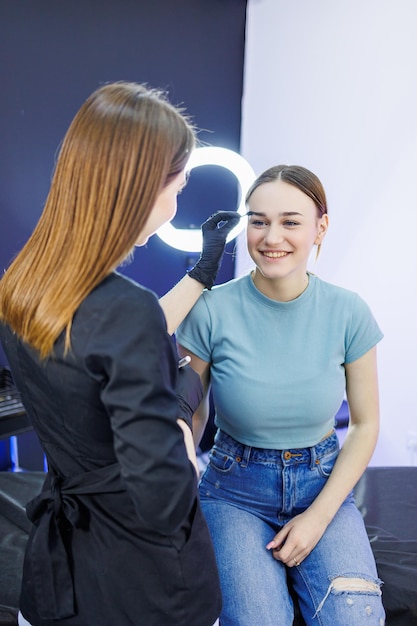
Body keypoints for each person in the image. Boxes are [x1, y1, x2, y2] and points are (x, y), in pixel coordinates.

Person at [0, 81, 239, 626]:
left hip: (61, 574)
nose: (178, 201)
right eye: (178, 187)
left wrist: (202, 271)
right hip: (142, 588)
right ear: (142, 189)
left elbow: (107, 339)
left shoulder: (25, 282)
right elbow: (164, 498)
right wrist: (181, 418)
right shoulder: (123, 310)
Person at [176, 164, 386, 626]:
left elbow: (367, 423)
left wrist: (317, 518)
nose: (271, 237)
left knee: (357, 619)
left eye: (290, 221)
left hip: (322, 485)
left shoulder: (348, 311)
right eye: (258, 220)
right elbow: (186, 413)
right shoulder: (210, 310)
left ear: (320, 227)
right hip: (233, 490)